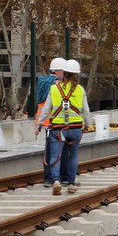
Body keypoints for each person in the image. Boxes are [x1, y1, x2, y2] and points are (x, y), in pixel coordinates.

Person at [36, 58, 90, 195]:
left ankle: (56, 181)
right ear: (76, 74)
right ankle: (71, 183)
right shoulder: (80, 89)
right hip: (76, 128)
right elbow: (86, 110)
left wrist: (39, 124)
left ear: (64, 73)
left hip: (58, 129)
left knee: (55, 154)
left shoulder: (54, 89)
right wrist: (87, 125)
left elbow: (46, 110)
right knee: (73, 155)